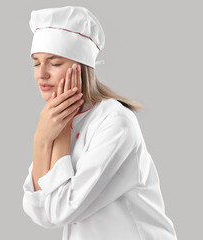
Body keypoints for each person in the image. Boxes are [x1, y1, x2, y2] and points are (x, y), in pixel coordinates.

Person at [22, 6, 178, 240]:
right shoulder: (54, 122)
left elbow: (61, 211)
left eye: (54, 63)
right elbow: (41, 214)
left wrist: (57, 134)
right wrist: (42, 139)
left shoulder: (115, 123)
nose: (41, 74)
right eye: (36, 63)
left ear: (81, 68)